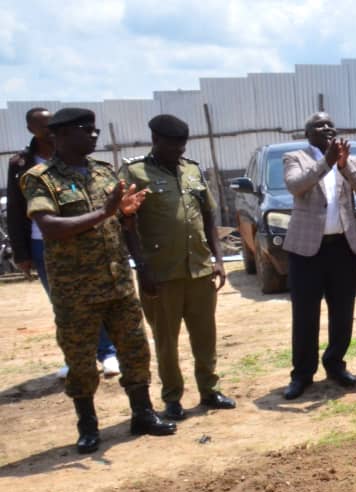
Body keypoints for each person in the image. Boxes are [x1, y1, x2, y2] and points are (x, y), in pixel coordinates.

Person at [20, 108, 176, 453]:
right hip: (75, 290)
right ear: (59, 135)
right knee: (80, 361)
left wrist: (127, 221)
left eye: (95, 129)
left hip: (118, 281)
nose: (94, 135)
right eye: (85, 129)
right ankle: (88, 426)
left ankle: (143, 414)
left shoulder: (105, 173)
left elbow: (122, 223)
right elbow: (49, 227)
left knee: (135, 351)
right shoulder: (41, 178)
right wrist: (105, 212)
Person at [120, 114, 236, 420]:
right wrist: (141, 267)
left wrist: (219, 260)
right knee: (166, 341)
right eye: (172, 146)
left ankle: (209, 390)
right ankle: (172, 398)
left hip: (198, 269)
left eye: (182, 147)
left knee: (205, 335)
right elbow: (127, 224)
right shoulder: (136, 172)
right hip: (161, 273)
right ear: (156, 140)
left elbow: (208, 216)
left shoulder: (192, 170)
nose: (178, 152)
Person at [7, 107, 119, 379]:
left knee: (99, 297)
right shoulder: (23, 165)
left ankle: (107, 352)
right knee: (64, 303)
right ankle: (76, 356)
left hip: (87, 237)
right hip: (42, 241)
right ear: (31, 130)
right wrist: (21, 252)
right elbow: (15, 208)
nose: (48, 130)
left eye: (51, 125)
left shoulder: (80, 161)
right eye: (42, 126)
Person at [281, 112, 356, 400]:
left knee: (342, 311)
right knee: (305, 314)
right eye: (319, 125)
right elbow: (296, 186)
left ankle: (335, 364)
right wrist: (327, 162)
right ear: (308, 133)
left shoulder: (348, 157)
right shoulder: (295, 157)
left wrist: (344, 166)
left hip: (343, 247)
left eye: (330, 124)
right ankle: (302, 374)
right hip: (307, 250)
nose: (327, 128)